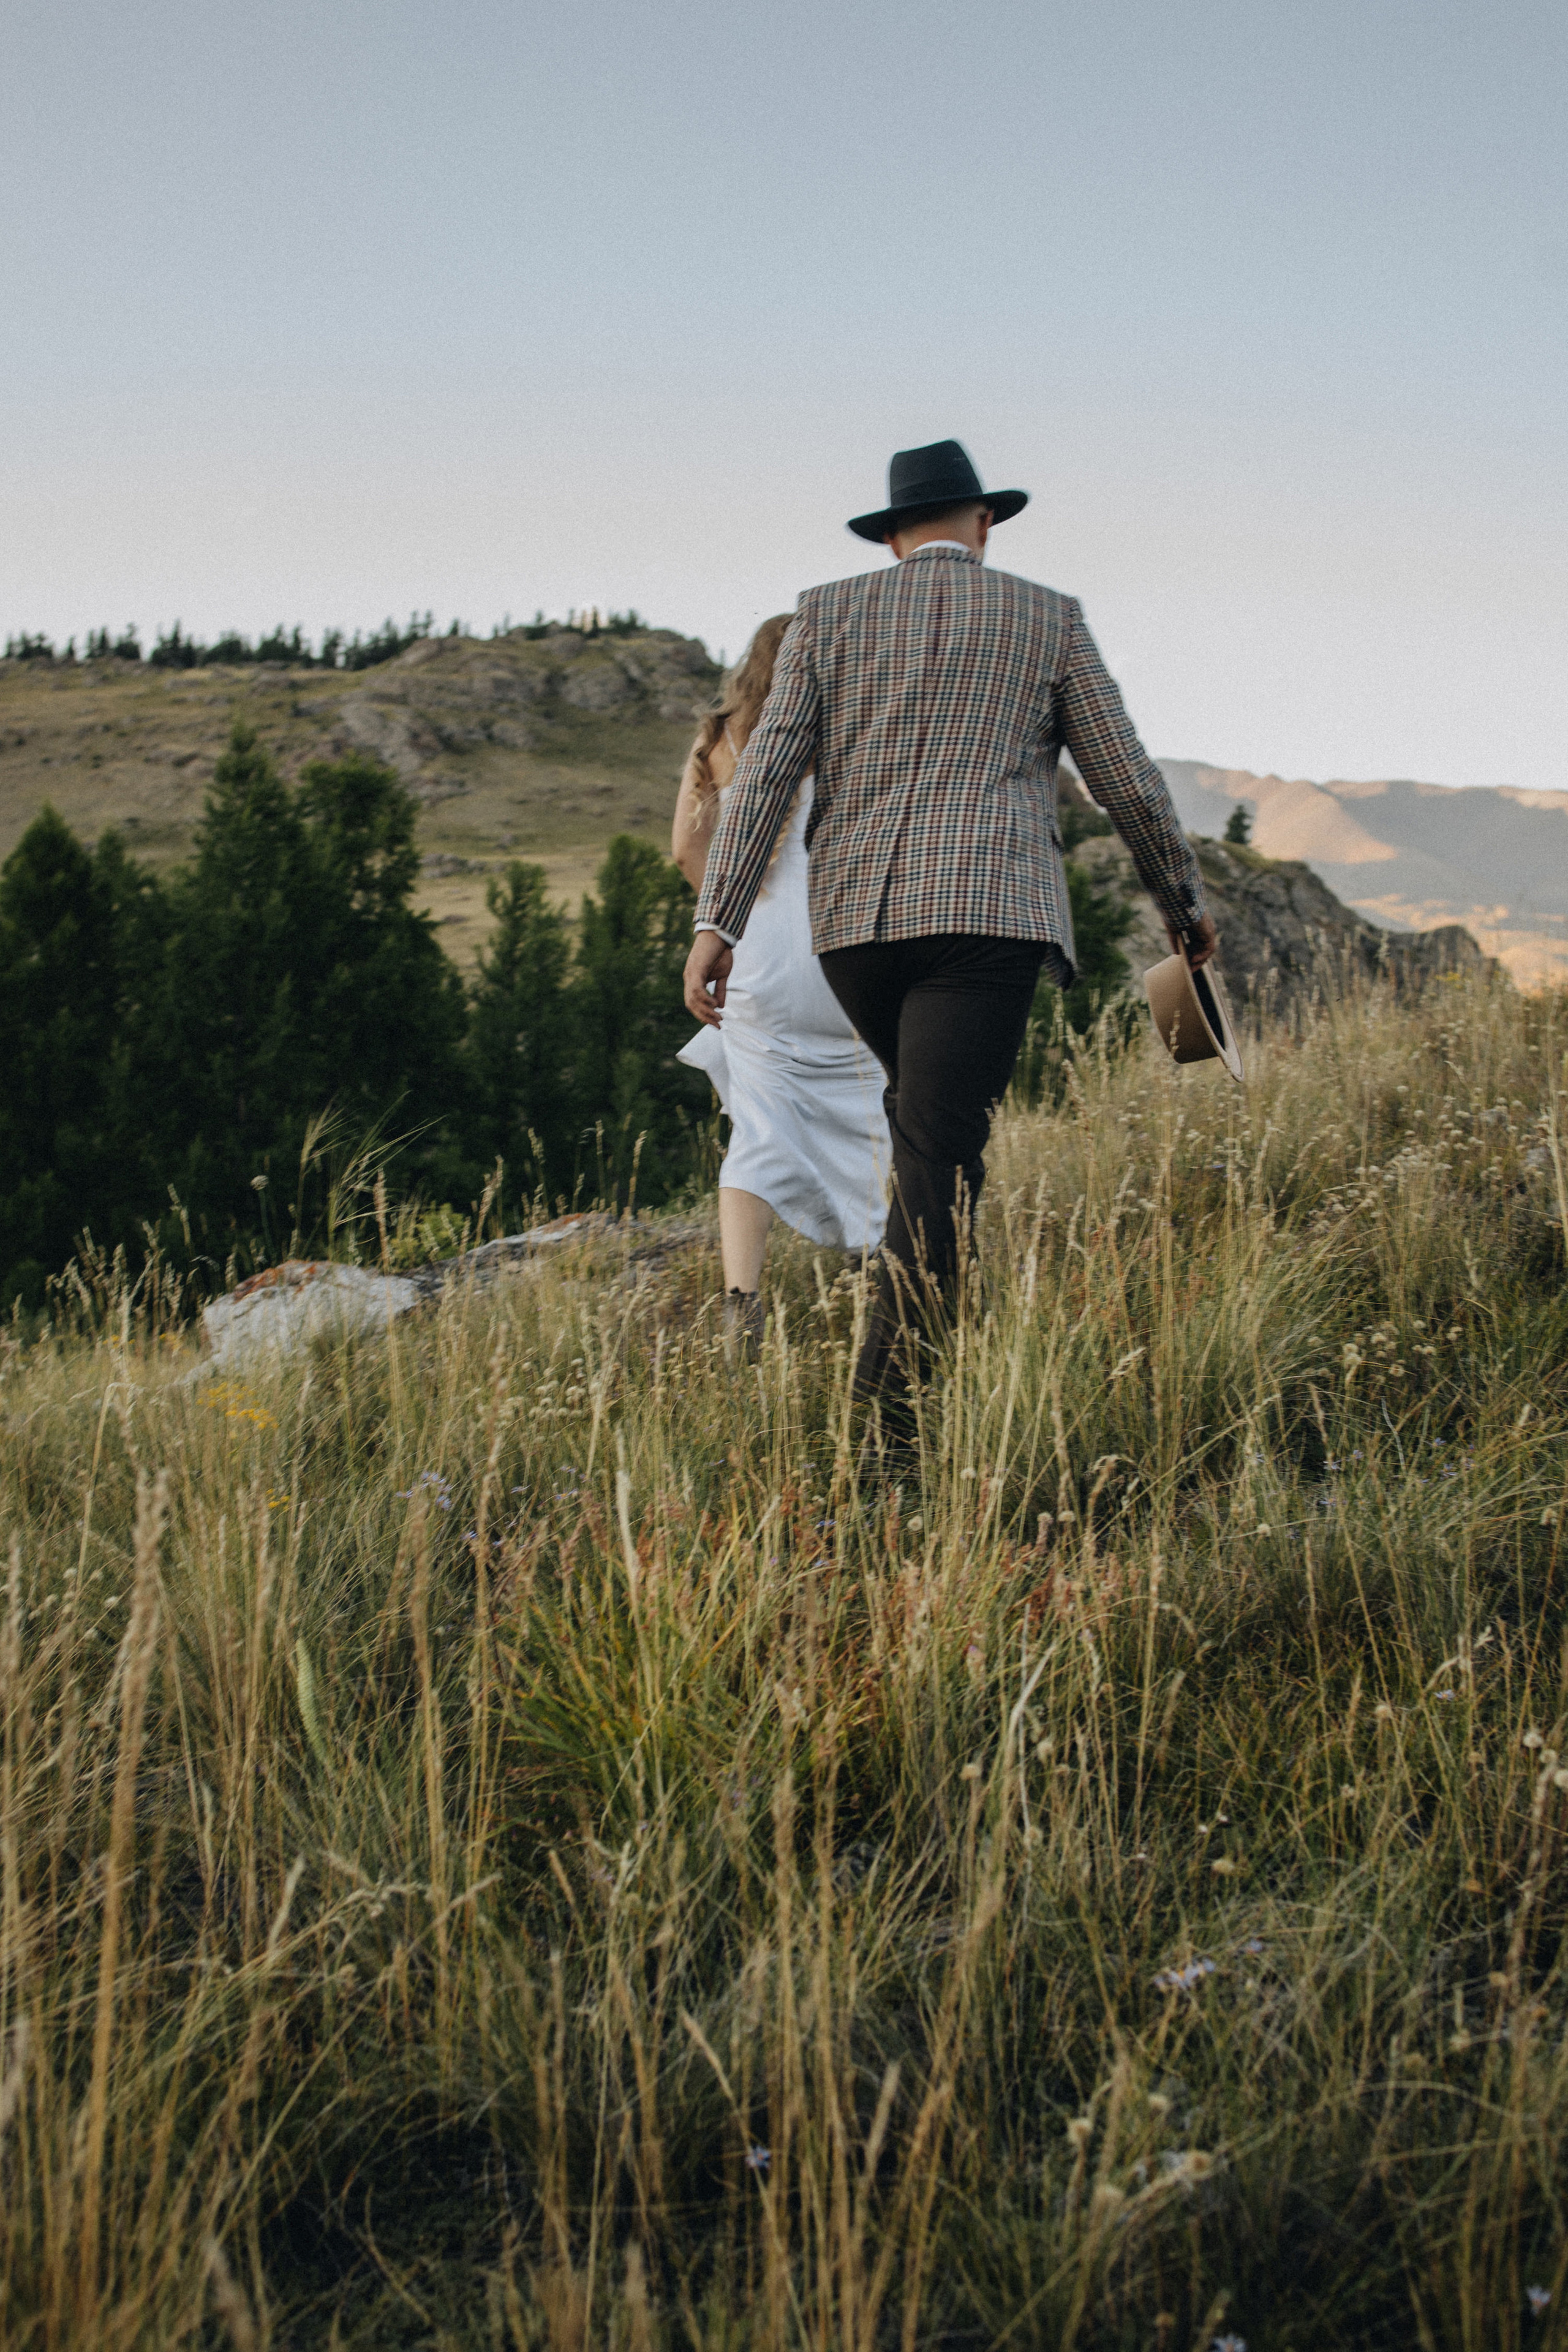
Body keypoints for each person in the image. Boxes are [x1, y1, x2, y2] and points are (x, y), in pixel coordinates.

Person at [684, 437, 1217, 1412]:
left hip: (856, 928)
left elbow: (763, 777)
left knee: (919, 1126)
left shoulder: (827, 613)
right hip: (987, 916)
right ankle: (889, 1421)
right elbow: (1126, 781)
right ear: (983, 524)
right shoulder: (1047, 618)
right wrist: (1180, 904)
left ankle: (894, 1345)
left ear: (893, 539)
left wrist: (715, 921)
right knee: (939, 1154)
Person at [672, 617, 888, 1355]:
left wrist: (733, 910)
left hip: (753, 954)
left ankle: (742, 1306)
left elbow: (684, 847)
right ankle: (882, 1275)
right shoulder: (851, 722)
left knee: (759, 1129)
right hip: (845, 945)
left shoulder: (720, 738)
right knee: (878, 1110)